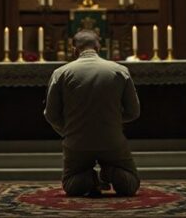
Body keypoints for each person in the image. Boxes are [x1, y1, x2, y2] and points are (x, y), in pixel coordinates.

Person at [44, 30, 141, 197]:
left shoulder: (60, 73)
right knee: (131, 185)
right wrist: (113, 121)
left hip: (77, 142)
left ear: (74, 50)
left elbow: (51, 114)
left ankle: (90, 178)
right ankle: (109, 172)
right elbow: (134, 112)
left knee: (70, 185)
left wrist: (69, 131)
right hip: (111, 140)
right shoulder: (120, 71)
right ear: (98, 47)